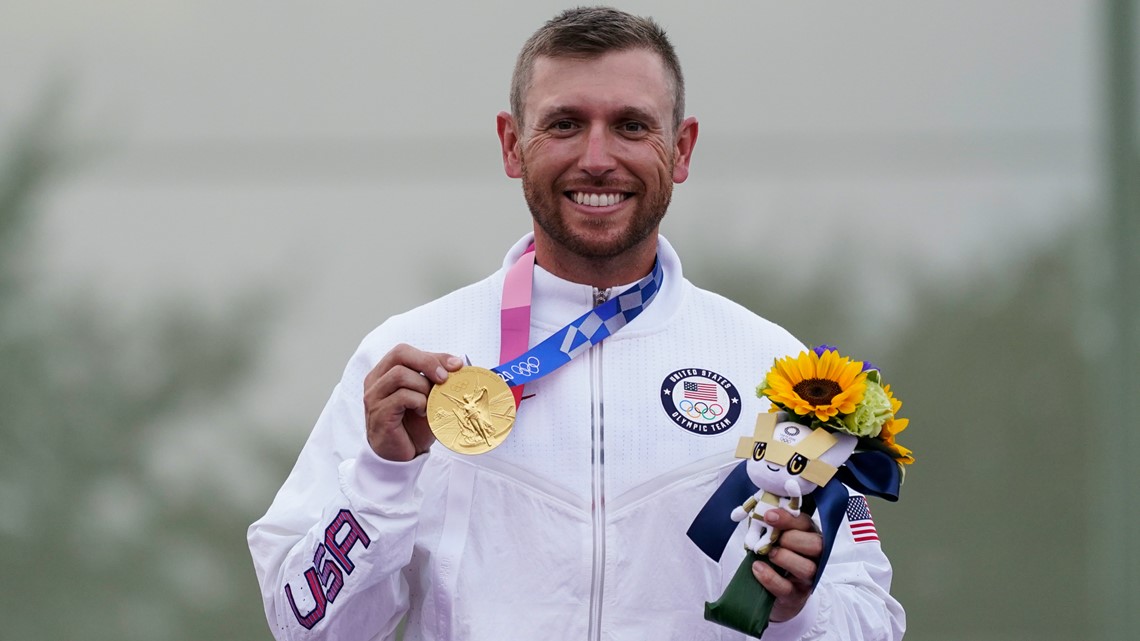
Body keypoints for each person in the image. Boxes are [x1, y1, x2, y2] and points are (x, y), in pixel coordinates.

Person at [248, 7, 905, 640]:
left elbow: (871, 619)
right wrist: (382, 477)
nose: (596, 157)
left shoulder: (776, 371)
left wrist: (798, 609)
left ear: (681, 149)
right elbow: (303, 624)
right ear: (512, 145)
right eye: (563, 124)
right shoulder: (406, 363)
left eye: (630, 126)